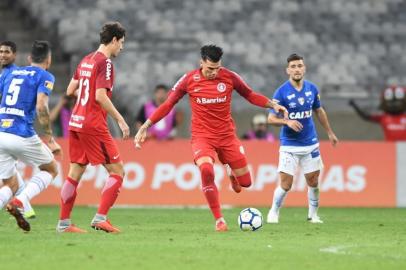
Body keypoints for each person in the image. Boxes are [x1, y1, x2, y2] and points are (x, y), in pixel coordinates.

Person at [135, 44, 288, 232]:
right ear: (201, 63)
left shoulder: (230, 77)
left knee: (245, 183)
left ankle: (231, 172)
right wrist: (146, 125)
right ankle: (219, 220)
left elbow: (249, 94)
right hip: (202, 137)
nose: (213, 73)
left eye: (217, 69)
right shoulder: (189, 79)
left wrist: (272, 105)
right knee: (206, 170)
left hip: (227, 137)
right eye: (209, 69)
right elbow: (168, 104)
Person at [56, 22, 129, 233]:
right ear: (113, 40)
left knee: (75, 172)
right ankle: (100, 218)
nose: (122, 48)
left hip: (76, 121)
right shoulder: (105, 63)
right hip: (92, 124)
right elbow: (100, 96)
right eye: (121, 43)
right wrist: (120, 119)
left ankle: (63, 223)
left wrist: (85, 98)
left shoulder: (86, 59)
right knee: (117, 171)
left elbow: (71, 90)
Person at [266, 53, 338, 224]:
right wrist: (287, 122)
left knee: (313, 181)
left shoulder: (312, 89)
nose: (297, 69)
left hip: (310, 144)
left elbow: (319, 111)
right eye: (293, 67)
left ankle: (313, 215)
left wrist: (329, 132)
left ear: (304, 68)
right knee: (286, 185)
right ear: (287, 70)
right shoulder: (281, 92)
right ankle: (274, 211)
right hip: (289, 145)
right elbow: (270, 119)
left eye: (299, 66)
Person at [0, 40, 61, 232]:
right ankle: (21, 200)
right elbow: (41, 106)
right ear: (49, 60)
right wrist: (49, 137)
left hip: (1, 133)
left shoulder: (10, 73)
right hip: (22, 133)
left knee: (10, 183)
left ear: (28, 58)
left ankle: (18, 199)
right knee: (51, 169)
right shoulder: (45, 75)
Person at [0, 40, 37, 219]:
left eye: (7, 52)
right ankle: (26, 209)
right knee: (12, 175)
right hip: (10, 130)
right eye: (0, 52)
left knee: (10, 178)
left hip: (8, 129)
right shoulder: (7, 74)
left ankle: (24, 207)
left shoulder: (11, 74)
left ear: (14, 55)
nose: (3, 55)